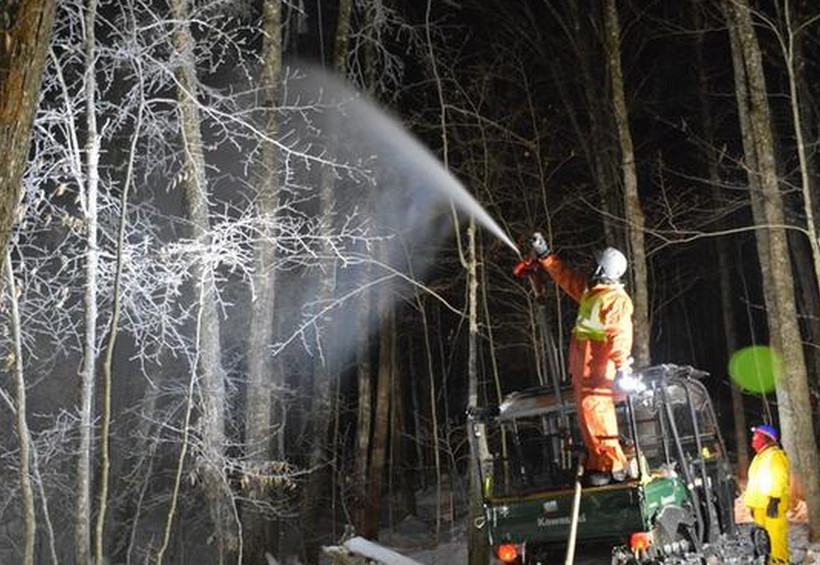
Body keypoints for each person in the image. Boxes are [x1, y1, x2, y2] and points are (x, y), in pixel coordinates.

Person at [530, 233, 634, 485]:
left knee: (597, 415)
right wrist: (545, 256)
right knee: (588, 417)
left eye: (595, 264)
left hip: (598, 371)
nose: (591, 268)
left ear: (603, 268)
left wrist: (622, 367)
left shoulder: (616, 300)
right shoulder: (593, 294)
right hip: (584, 370)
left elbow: (620, 334)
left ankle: (611, 465)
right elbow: (566, 279)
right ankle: (598, 463)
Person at [745, 424, 790, 564]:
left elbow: (778, 478)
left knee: (776, 540)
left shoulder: (775, 456)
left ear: (767, 439)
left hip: (771, 506)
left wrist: (774, 500)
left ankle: (780, 562)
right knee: (764, 543)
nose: (753, 439)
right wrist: (752, 506)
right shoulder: (759, 457)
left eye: (756, 436)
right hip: (760, 507)